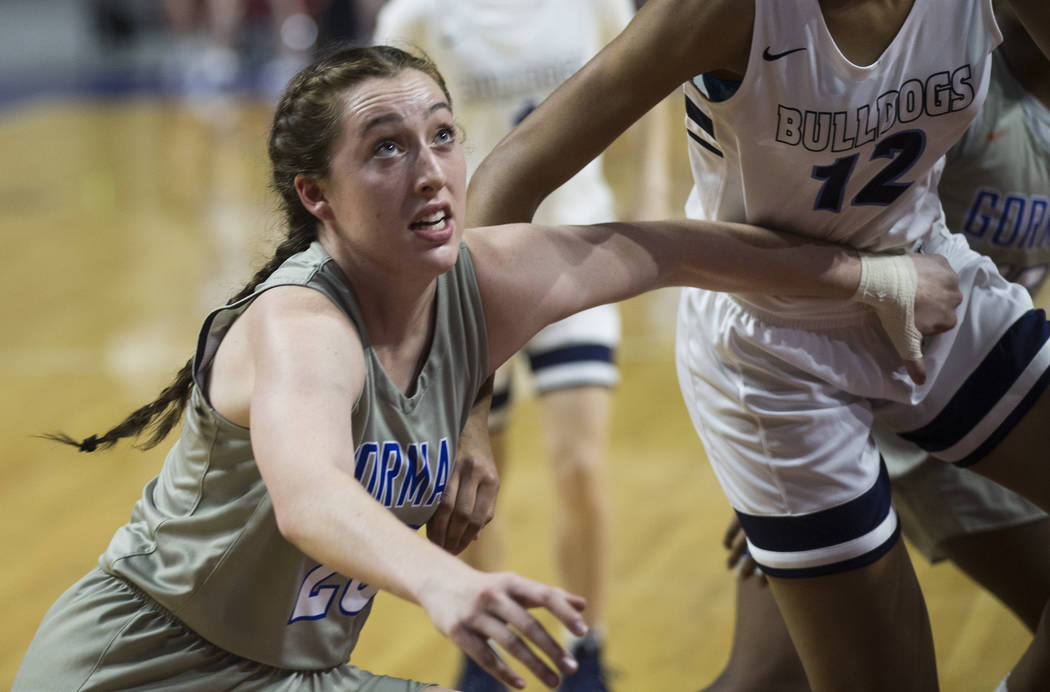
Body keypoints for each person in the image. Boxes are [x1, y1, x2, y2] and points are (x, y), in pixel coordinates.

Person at [11, 44, 958, 691]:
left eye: (442, 135)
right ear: (316, 196)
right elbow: (310, 495)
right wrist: (446, 583)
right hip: (140, 667)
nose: (430, 171)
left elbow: (672, 249)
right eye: (385, 149)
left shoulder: (484, 279)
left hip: (289, 674)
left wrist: (866, 276)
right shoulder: (299, 325)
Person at [464, 0, 1050, 689]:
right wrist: (471, 410)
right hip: (769, 339)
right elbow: (501, 183)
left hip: (926, 282)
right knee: (795, 674)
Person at [701, 8, 1050, 690]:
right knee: (761, 681)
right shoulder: (958, 71)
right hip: (865, 390)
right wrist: (774, 476)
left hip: (972, 388)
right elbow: (802, 230)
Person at [371, 2, 668, 689]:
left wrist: (652, 183)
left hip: (573, 251)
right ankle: (487, 644)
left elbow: (649, 76)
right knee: (473, 483)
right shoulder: (416, 13)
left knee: (581, 467)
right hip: (464, 266)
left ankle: (586, 650)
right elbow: (370, 115)